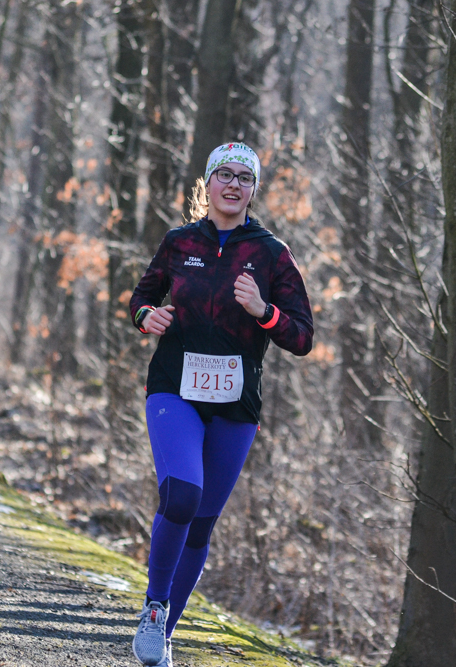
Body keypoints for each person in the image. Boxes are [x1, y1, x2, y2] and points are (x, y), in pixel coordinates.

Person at [128, 142, 313, 666]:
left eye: (244, 178)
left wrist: (264, 311)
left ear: (254, 189)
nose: (234, 185)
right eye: (224, 175)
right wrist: (147, 317)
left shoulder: (271, 252)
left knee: (203, 522)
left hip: (236, 404)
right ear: (206, 184)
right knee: (182, 497)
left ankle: (165, 636)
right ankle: (154, 610)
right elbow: (140, 297)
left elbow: (302, 338)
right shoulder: (178, 242)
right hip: (173, 389)